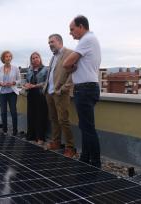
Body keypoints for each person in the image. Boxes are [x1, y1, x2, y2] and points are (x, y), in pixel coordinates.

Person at [63, 15, 102, 168]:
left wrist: (71, 67)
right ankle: (85, 158)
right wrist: (73, 66)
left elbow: (67, 63)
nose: (71, 33)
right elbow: (72, 64)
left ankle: (96, 163)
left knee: (88, 128)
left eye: (72, 29)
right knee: (85, 127)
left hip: (85, 88)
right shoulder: (90, 40)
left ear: (81, 26)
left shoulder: (86, 40)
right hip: (88, 87)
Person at [43, 34, 75, 158]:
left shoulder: (70, 53)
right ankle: (56, 142)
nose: (50, 44)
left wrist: (63, 89)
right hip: (49, 92)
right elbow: (51, 74)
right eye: (49, 42)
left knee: (63, 120)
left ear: (60, 41)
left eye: (52, 41)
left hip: (61, 93)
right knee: (53, 119)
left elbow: (73, 73)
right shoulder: (53, 57)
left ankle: (70, 147)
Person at [24, 52, 48, 145]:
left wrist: (34, 86)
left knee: (40, 116)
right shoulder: (29, 70)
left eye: (36, 57)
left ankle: (40, 138)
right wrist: (26, 85)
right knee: (31, 115)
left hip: (40, 95)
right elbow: (26, 81)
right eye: (33, 58)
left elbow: (46, 82)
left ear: (40, 58)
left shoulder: (45, 69)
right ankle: (31, 136)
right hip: (30, 94)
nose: (35, 59)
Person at [0, 50, 21, 136]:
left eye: (10, 56)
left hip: (12, 92)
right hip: (2, 93)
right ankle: (5, 130)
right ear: (3, 58)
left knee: (13, 111)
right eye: (6, 56)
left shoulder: (15, 68)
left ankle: (15, 131)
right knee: (3, 112)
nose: (8, 58)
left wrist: (14, 83)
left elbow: (19, 80)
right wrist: (0, 83)